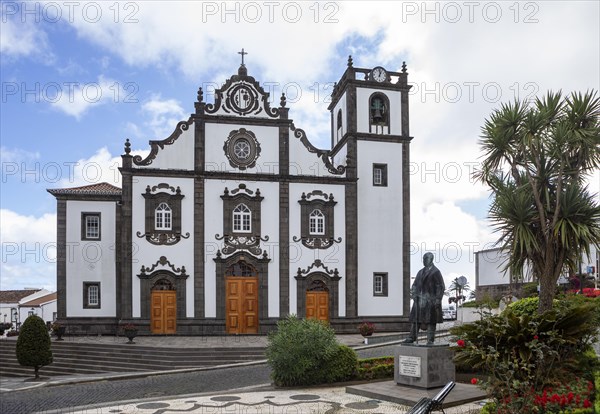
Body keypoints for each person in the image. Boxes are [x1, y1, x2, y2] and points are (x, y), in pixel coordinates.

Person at [402, 252, 445, 344]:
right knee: (415, 320)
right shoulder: (420, 272)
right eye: (423, 259)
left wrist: (437, 299)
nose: (424, 261)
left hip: (430, 301)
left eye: (425, 259)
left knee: (430, 321)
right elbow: (414, 285)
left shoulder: (436, 272)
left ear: (431, 259)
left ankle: (430, 340)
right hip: (419, 300)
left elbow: (440, 286)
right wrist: (414, 294)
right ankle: (411, 337)